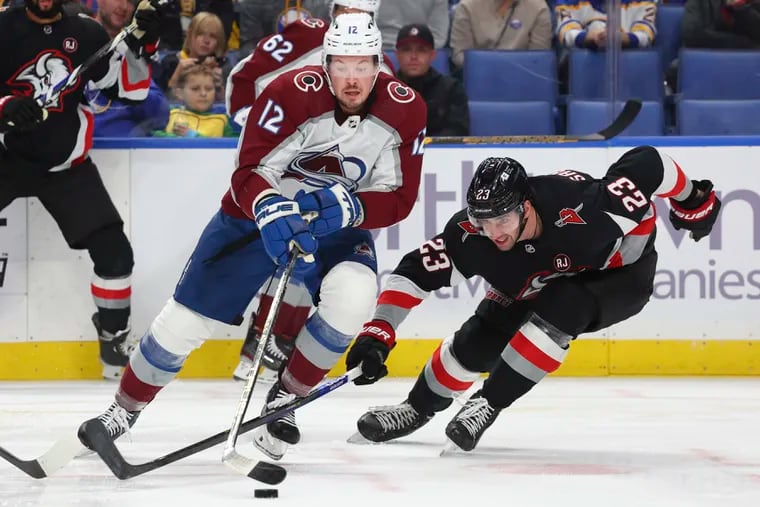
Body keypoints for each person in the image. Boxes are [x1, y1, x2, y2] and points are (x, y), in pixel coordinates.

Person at [77, 13, 427, 462]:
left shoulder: (406, 109)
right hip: (253, 218)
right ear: (326, 62)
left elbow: (399, 197)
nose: (352, 78)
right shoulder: (285, 94)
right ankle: (122, 411)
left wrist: (349, 208)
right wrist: (270, 205)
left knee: (355, 296)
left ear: (379, 64)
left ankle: (285, 398)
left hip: (336, 229)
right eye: (341, 65)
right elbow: (248, 172)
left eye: (363, 66)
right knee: (185, 321)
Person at [345, 147, 721, 452]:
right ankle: (416, 408)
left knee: (566, 303)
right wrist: (378, 330)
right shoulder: (472, 236)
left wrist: (693, 199)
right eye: (483, 221)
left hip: (618, 277)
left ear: (526, 207)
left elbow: (649, 163)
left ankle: (487, 403)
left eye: (502, 220)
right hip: (540, 280)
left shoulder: (591, 208)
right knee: (480, 338)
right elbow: (413, 271)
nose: (493, 233)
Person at [225, 0, 391, 384]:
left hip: (337, 176)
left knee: (319, 256)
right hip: (286, 166)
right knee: (284, 245)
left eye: (363, 13)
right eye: (348, 10)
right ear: (335, 9)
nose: (354, 19)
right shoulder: (306, 35)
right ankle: (261, 338)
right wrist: (259, 128)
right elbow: (243, 78)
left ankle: (275, 341)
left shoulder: (379, 61)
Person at [0, 0, 161, 378]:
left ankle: (114, 338)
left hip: (64, 166)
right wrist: (4, 106)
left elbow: (131, 91)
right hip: (4, 158)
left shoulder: (86, 33)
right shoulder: (3, 28)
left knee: (115, 253)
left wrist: (143, 45)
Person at [395, 23, 468, 137]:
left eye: (421, 50)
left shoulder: (451, 89)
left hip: (439, 153)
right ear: (397, 55)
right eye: (407, 50)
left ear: (432, 55)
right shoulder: (383, 89)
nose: (414, 56)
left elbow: (458, 131)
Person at [449, 0, 552, 69]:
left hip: (522, 79)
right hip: (479, 76)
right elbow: (459, 55)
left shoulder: (539, 7)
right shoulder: (467, 6)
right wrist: (484, 68)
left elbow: (539, 59)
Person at [153, 64, 238, 137]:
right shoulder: (169, 113)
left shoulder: (224, 120)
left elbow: (233, 146)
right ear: (179, 93)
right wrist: (175, 139)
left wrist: (193, 136)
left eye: (209, 89)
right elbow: (153, 134)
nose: (203, 93)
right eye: (195, 89)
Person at [555, 0, 657, 50]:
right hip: (584, 61)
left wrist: (623, 38)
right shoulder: (570, 1)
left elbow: (645, 36)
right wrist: (589, 36)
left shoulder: (641, 1)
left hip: (629, 65)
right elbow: (566, 32)